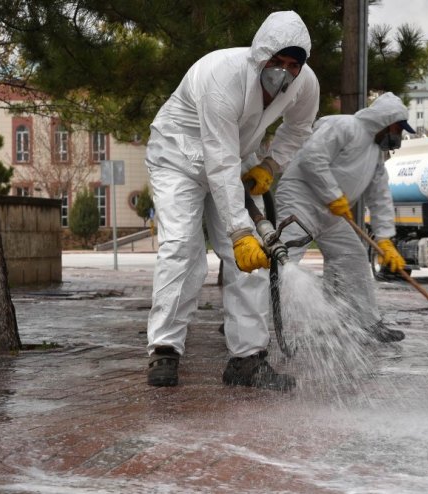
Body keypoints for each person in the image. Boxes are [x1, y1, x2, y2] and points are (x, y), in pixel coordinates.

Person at [145, 11, 320, 391]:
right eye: (277, 62)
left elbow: (299, 128)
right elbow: (218, 159)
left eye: (293, 64)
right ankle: (165, 349)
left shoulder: (304, 84)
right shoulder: (221, 76)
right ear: (261, 55)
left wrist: (271, 165)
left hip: (234, 156)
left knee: (251, 257)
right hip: (179, 157)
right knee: (183, 249)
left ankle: (247, 360)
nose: (284, 72)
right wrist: (240, 229)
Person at [274, 92, 413, 344]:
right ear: (387, 121)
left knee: (354, 257)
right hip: (301, 202)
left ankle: (367, 323)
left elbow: (380, 195)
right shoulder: (345, 126)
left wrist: (384, 240)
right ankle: (251, 318)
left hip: (332, 212)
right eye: (398, 128)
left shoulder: (375, 154)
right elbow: (311, 158)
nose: (399, 136)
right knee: (283, 258)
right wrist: (333, 194)